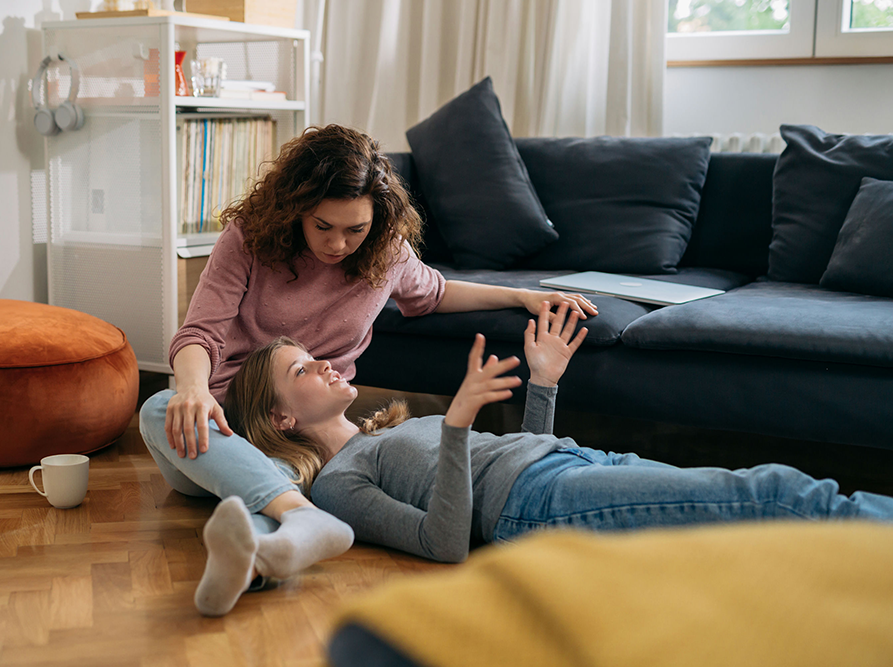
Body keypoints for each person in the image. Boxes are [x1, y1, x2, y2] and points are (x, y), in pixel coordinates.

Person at [138, 124, 598, 614]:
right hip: (224, 426)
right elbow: (199, 333)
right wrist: (193, 389)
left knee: (282, 479)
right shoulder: (249, 238)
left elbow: (434, 293)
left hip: (307, 445)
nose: (338, 244)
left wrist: (524, 296)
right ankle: (299, 514)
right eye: (323, 226)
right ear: (296, 208)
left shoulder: (386, 251)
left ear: (375, 221)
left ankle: (259, 557)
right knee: (158, 408)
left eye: (354, 230)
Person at [221, 300, 893, 564]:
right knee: (771, 494)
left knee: (766, 510)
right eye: (303, 368)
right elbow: (447, 541)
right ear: (282, 418)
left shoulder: (388, 426)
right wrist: (457, 425)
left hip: (566, 465)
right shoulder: (339, 485)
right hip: (544, 503)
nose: (327, 364)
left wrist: (543, 385)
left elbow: (520, 451)